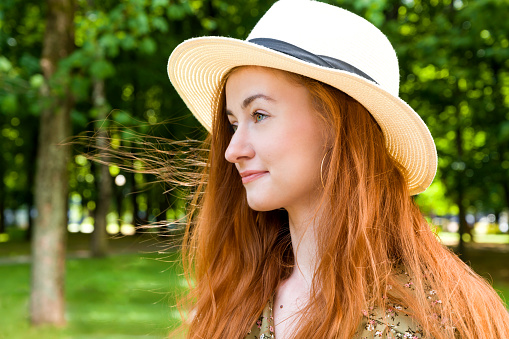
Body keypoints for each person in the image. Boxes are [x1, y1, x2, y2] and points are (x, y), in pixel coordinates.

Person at [166, 0, 509, 338]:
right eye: (233, 123)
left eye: (259, 115)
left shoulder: (435, 318)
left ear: (335, 124)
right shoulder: (238, 294)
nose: (232, 150)